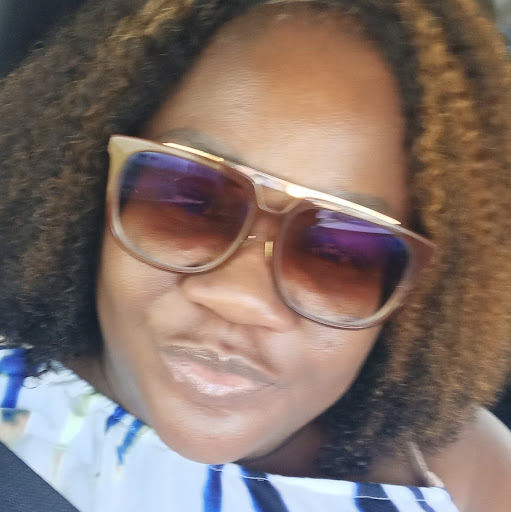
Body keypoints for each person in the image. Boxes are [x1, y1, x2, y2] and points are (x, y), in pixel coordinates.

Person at [0, 0, 510, 510]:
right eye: (189, 200)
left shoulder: (473, 480)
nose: (240, 299)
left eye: (340, 252)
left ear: (418, 298)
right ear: (92, 185)